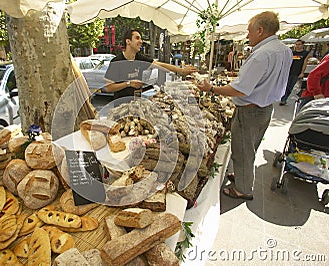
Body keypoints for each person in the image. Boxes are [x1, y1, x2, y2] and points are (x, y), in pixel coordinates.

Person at [197, 11, 292, 200]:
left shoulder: (261, 55)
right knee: (251, 148)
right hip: (265, 109)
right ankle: (243, 177)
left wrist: (212, 89)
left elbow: (240, 89)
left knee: (242, 151)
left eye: (249, 31)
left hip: (250, 110)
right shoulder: (284, 50)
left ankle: (243, 189)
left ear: (260, 30)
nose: (247, 36)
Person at [104, 29, 197, 101]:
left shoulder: (140, 59)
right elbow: (108, 88)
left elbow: (159, 65)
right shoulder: (116, 62)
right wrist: (128, 84)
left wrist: (181, 70)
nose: (141, 41)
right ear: (128, 41)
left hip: (136, 105)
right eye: (137, 38)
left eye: (141, 38)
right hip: (120, 108)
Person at [280, 39, 312, 105]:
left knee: (290, 87)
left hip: (297, 72)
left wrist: (302, 73)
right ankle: (282, 98)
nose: (298, 46)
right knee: (285, 85)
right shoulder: (292, 53)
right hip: (288, 71)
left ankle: (284, 99)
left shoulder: (305, 53)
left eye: (299, 44)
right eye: (296, 44)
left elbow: (304, 63)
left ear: (303, 45)